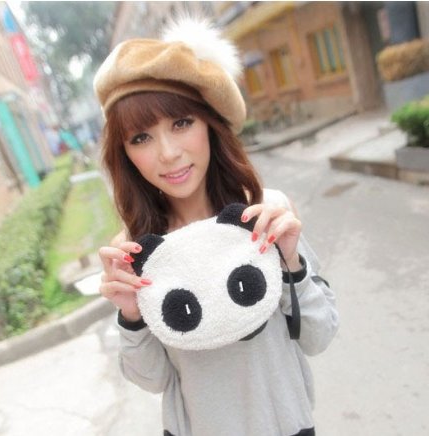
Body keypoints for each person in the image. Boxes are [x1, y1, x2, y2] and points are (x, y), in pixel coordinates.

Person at [94, 17, 338, 436]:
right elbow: (152, 380)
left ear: (209, 124)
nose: (168, 153)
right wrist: (131, 315)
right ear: (125, 154)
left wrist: (291, 264)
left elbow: (319, 335)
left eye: (181, 123)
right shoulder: (138, 251)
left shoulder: (266, 214)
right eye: (141, 138)